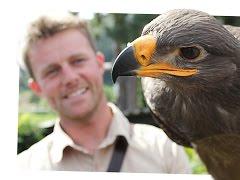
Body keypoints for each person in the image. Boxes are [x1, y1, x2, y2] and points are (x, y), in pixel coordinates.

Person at [17, 13, 191, 173]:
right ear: (36, 88)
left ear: (100, 63)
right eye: (52, 71)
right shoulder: (21, 170)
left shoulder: (165, 149)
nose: (70, 78)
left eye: (78, 61)